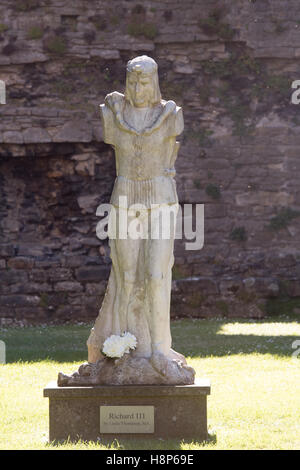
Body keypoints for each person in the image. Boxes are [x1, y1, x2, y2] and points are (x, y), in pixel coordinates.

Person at [87, 55, 185, 364]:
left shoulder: (171, 115)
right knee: (125, 276)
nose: (137, 88)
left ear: (154, 83)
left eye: (143, 82)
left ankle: (159, 349)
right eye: (132, 82)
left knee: (157, 273)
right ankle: (122, 345)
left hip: (161, 199)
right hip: (126, 198)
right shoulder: (113, 113)